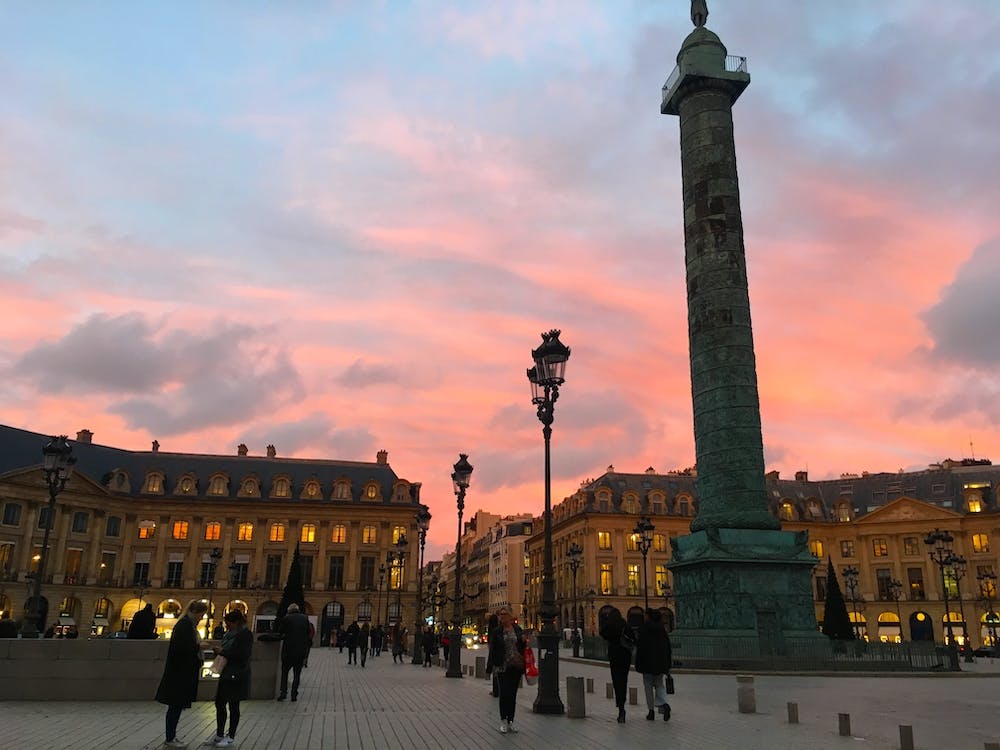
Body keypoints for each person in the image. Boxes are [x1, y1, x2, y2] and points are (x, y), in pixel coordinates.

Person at [155, 600, 209, 748]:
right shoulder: (185, 625)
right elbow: (182, 648)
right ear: (195, 612)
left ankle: (171, 737)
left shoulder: (186, 624)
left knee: (176, 706)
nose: (201, 618)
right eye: (201, 615)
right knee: (175, 706)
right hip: (179, 674)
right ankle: (170, 738)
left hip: (179, 672)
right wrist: (199, 646)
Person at [210, 609, 253, 747]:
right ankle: (219, 734)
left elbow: (242, 655)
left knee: (234, 705)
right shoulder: (229, 635)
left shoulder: (245, 635)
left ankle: (231, 736)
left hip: (237, 673)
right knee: (220, 703)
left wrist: (223, 652)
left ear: (236, 622)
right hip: (227, 672)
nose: (227, 626)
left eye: (229, 624)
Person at [488, 607, 527, 734]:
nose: (502, 617)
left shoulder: (517, 629)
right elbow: (492, 649)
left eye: (505, 614)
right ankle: (503, 720)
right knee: (504, 694)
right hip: (502, 666)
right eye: (501, 615)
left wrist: (523, 641)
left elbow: (522, 646)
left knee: (512, 695)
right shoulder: (497, 631)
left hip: (515, 666)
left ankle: (511, 721)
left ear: (510, 616)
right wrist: (490, 667)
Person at [634, 607, 672, 722]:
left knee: (648, 687)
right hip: (660, 663)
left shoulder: (644, 628)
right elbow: (667, 647)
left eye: (645, 615)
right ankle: (664, 704)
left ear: (648, 616)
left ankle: (651, 711)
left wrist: (638, 662)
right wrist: (667, 663)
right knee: (659, 685)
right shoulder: (661, 629)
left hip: (647, 663)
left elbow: (640, 646)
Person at [599, 607, 633, 723]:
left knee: (616, 681)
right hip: (625, 656)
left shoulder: (610, 626)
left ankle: (621, 708)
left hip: (614, 655)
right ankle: (622, 702)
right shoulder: (624, 624)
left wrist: (606, 621)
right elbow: (632, 637)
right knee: (624, 680)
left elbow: (602, 633)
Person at [277, 603, 311, 702]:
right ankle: (294, 694)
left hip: (288, 650)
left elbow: (280, 631)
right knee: (297, 674)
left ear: (289, 610)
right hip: (300, 651)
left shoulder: (287, 618)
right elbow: (308, 632)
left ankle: (283, 693)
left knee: (284, 673)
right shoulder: (305, 618)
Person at [485, 612, 500, 697]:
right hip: (499, 656)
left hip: (495, 657)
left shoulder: (493, 631)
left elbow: (492, 649)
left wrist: (488, 669)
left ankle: (495, 691)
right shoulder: (499, 629)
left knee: (495, 672)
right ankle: (498, 690)